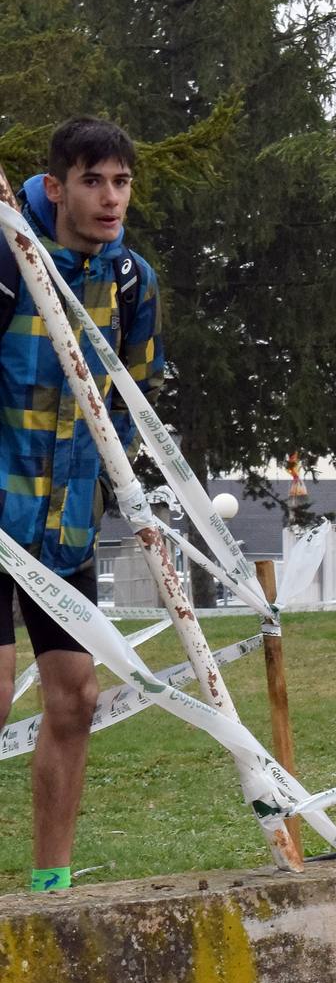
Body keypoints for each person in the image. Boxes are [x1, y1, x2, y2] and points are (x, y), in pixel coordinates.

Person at [0, 118, 163, 890]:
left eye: (121, 182)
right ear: (56, 186)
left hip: (63, 525)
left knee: (77, 695)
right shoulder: (7, 257)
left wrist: (109, 480)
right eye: (93, 181)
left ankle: (50, 884)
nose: (110, 198)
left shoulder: (131, 279)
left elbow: (130, 390)